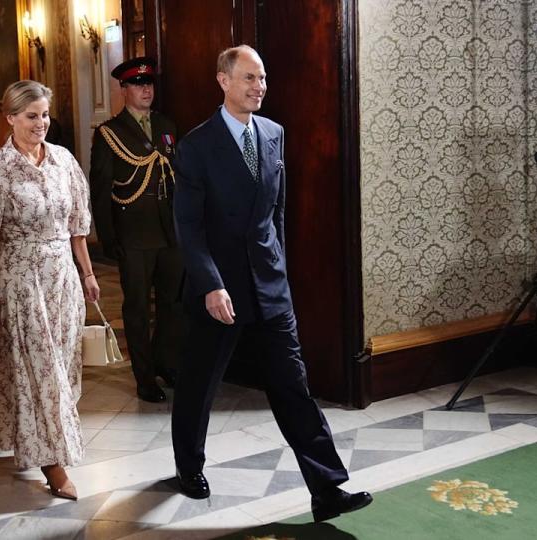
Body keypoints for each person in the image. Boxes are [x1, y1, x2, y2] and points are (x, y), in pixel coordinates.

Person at [169, 45, 373, 522]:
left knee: (293, 387)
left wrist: (278, 267)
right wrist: (211, 285)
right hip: (217, 290)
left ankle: (326, 489)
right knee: (200, 385)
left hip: (269, 286)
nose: (258, 87)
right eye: (248, 78)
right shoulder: (196, 146)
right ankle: (188, 467)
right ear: (223, 80)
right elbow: (188, 227)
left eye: (262, 78)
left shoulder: (275, 134)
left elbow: (276, 213)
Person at [0, 80, 99, 501]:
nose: (41, 123)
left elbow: (78, 225)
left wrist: (88, 274)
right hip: (20, 281)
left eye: (44, 115)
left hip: (63, 279)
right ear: (10, 118)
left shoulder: (63, 161)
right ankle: (53, 466)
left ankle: (33, 436)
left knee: (60, 367)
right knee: (38, 370)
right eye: (31, 116)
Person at [89, 56, 183, 403]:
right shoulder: (110, 133)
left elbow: (177, 179)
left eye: (149, 84)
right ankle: (144, 377)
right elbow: (100, 189)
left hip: (170, 232)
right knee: (138, 308)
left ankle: (165, 362)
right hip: (134, 233)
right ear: (124, 89)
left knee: (173, 304)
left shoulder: (165, 125)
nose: (146, 89)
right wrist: (109, 238)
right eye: (138, 85)